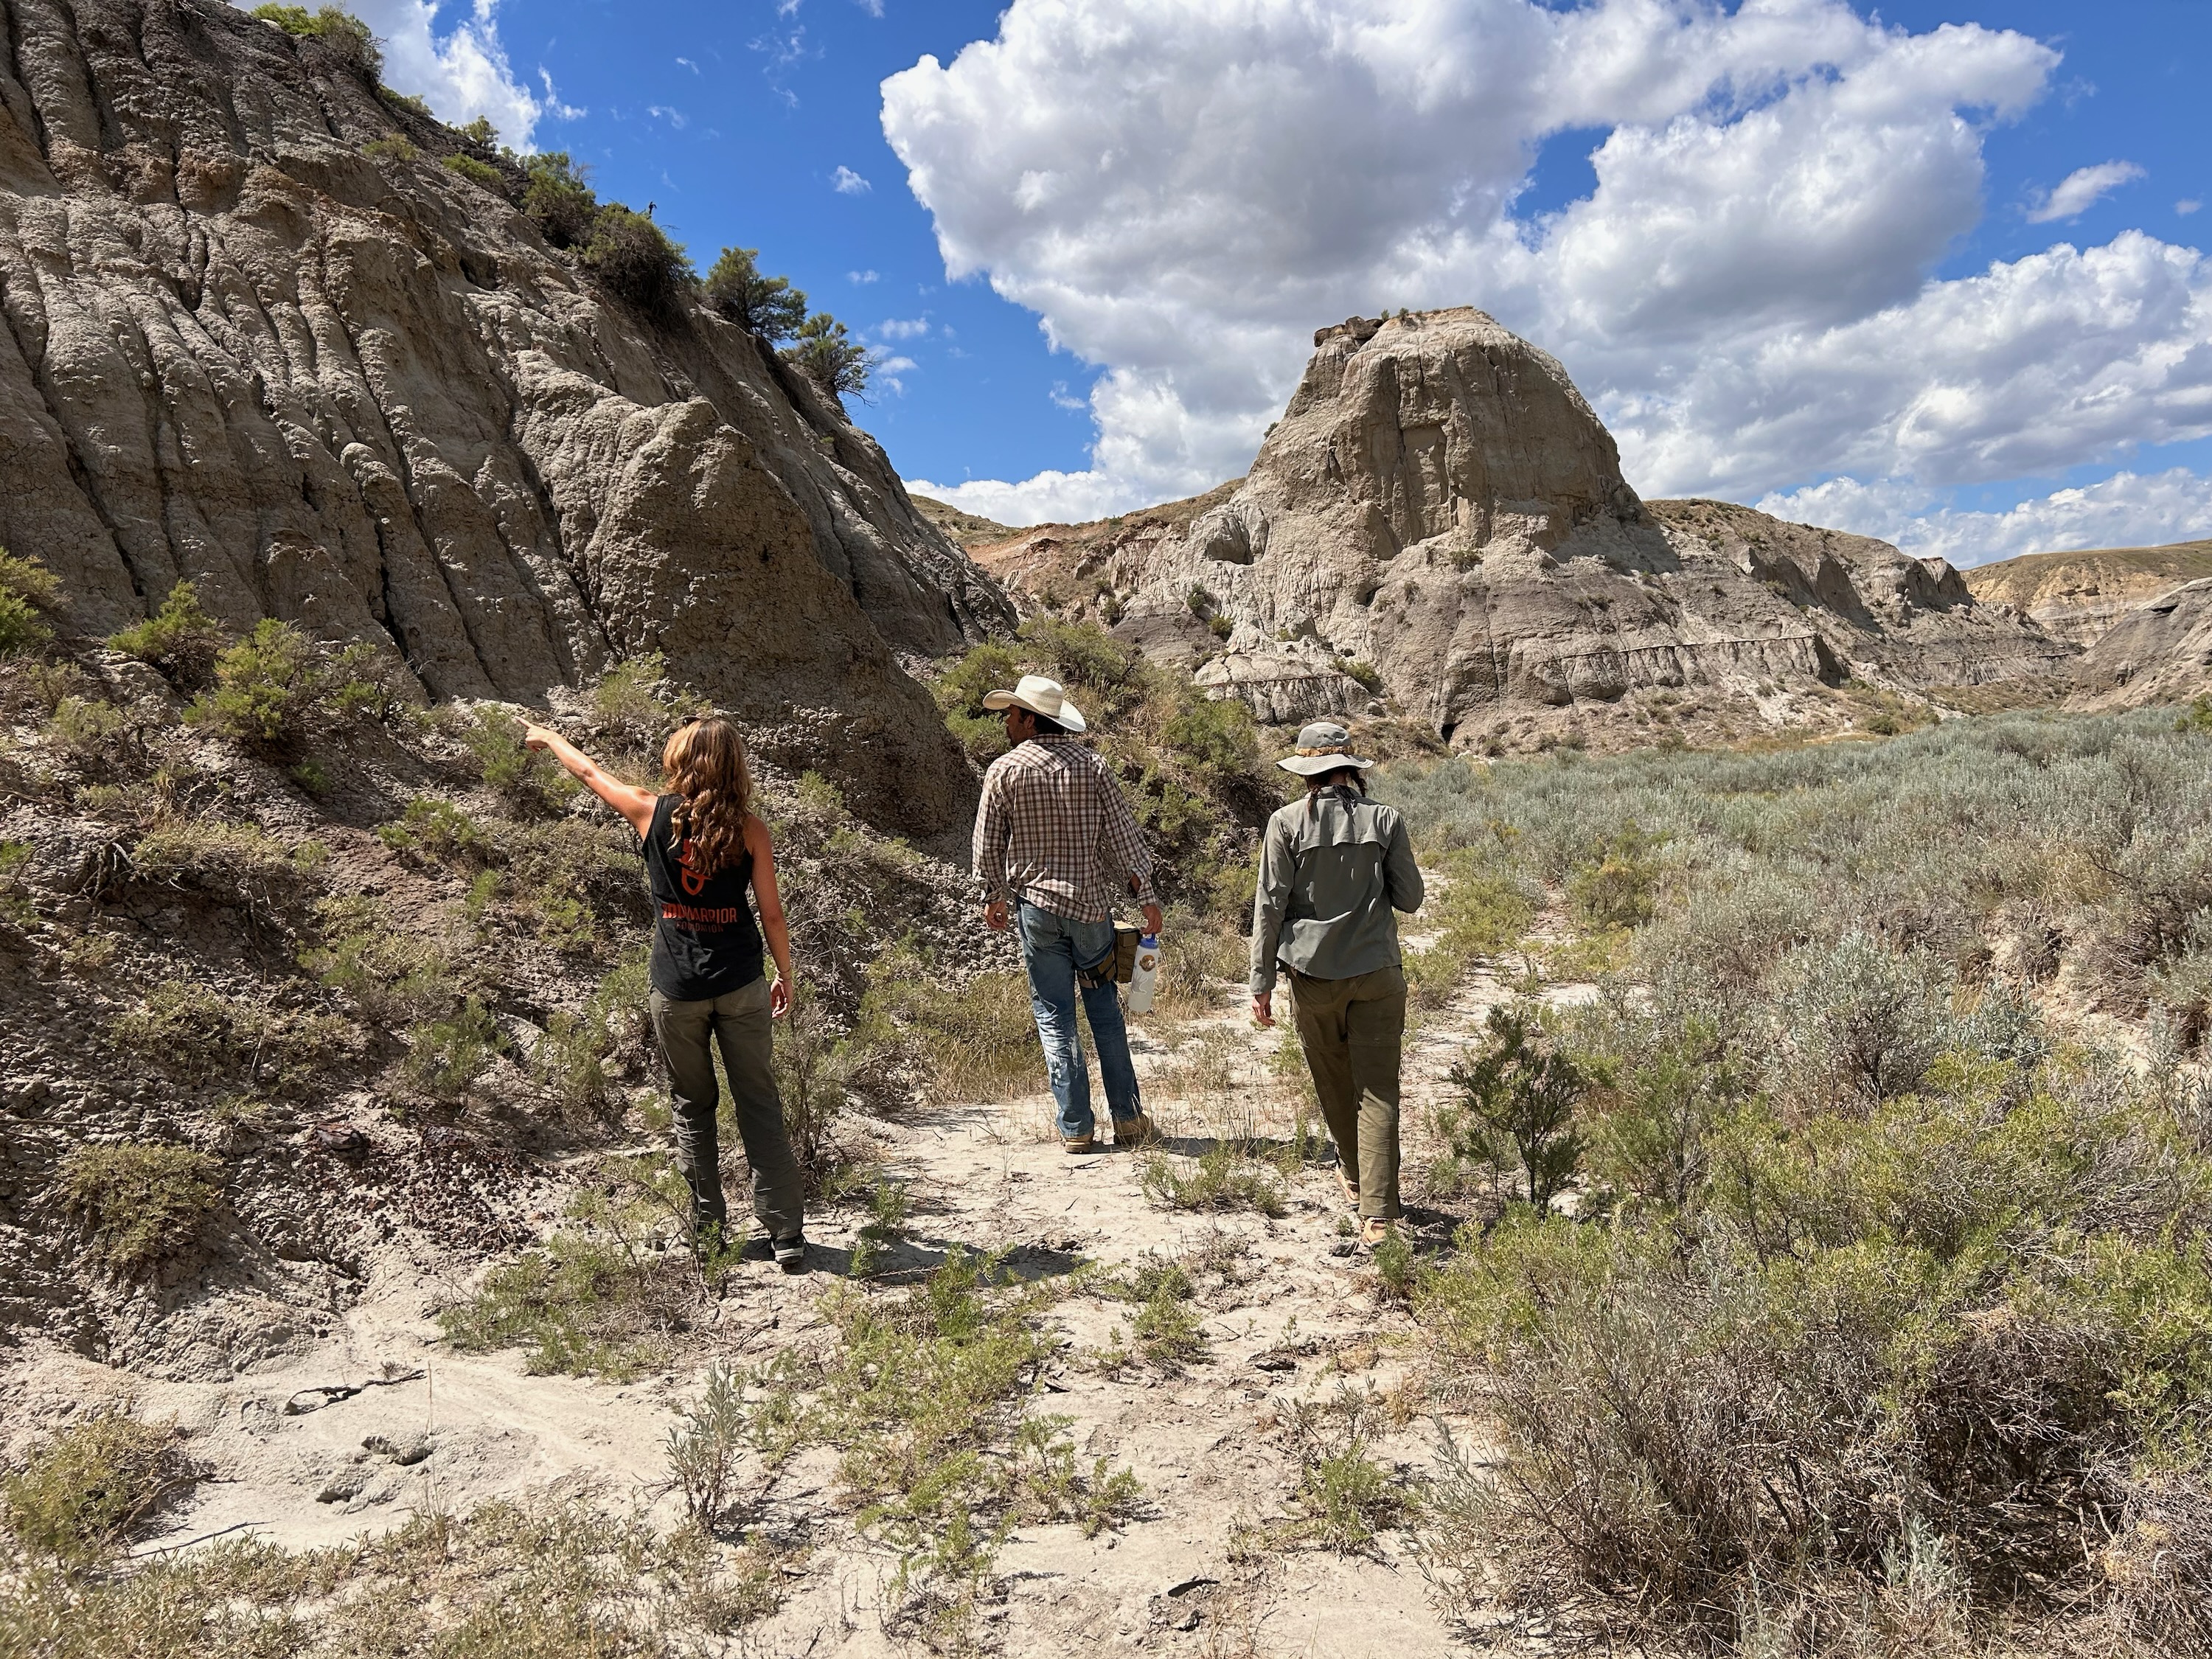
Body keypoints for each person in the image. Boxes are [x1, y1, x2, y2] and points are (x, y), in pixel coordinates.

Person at [521, 716, 807, 1273]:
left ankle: (709, 1235)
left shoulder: (650, 812)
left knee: (692, 1108)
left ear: (683, 762)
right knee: (758, 1104)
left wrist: (550, 738)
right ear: (733, 765)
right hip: (742, 982)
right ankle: (786, 1233)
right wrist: (786, 974)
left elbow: (588, 773)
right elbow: (771, 913)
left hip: (676, 991)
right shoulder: (751, 830)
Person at [972, 673, 1164, 1153]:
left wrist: (993, 895)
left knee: (1055, 1016)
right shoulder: (1094, 767)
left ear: (1031, 720)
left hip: (1036, 911)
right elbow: (1124, 838)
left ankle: (1077, 1126)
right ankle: (1129, 1121)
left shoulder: (1005, 771)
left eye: (1013, 715)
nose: (1008, 724)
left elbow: (987, 845)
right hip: (1090, 910)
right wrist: (1146, 898)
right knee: (1104, 1013)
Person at [1250, 721, 1424, 1245]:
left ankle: (1355, 1177)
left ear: (1307, 772)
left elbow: (1269, 907)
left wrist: (1260, 981)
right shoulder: (1386, 819)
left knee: (1334, 1083)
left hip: (1312, 978)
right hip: (1377, 975)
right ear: (1351, 770)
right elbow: (1411, 898)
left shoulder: (1285, 823)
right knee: (1378, 1089)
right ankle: (1380, 1214)